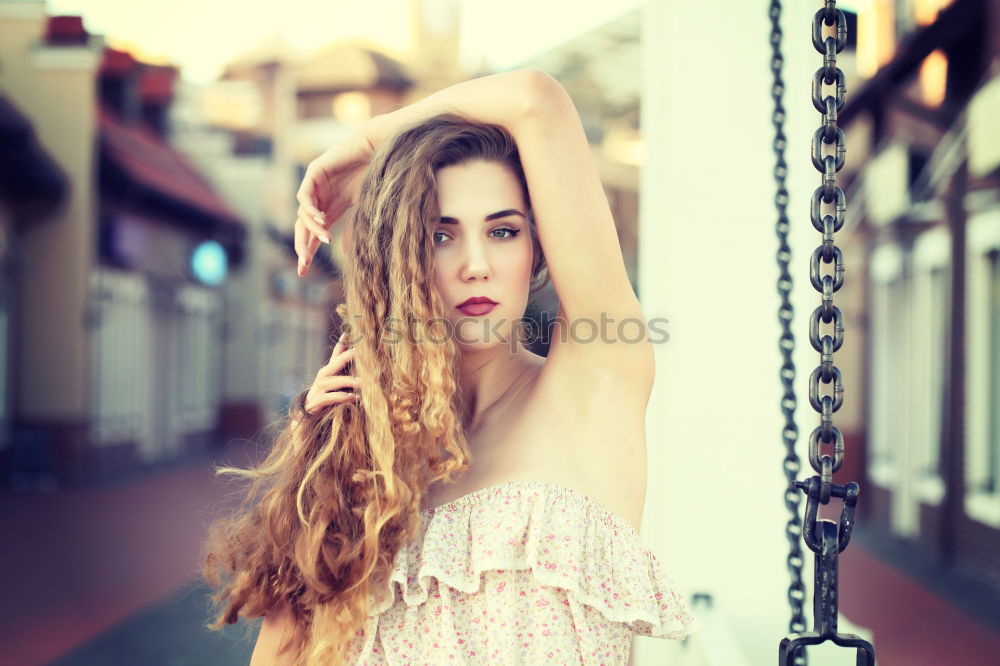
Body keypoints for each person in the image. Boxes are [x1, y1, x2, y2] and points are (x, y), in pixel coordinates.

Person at [202, 69, 699, 665]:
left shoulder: (593, 386)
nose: (477, 265)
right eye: (441, 236)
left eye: (503, 230)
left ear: (536, 249)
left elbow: (535, 101)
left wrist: (368, 144)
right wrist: (321, 457)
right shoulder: (367, 454)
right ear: (405, 257)